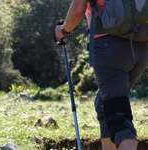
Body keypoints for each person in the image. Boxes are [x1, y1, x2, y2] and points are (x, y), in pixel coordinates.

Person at [55, 0, 148, 150]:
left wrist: (63, 31)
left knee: (119, 118)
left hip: (110, 48)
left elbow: (78, 10)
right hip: (140, 48)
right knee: (104, 103)